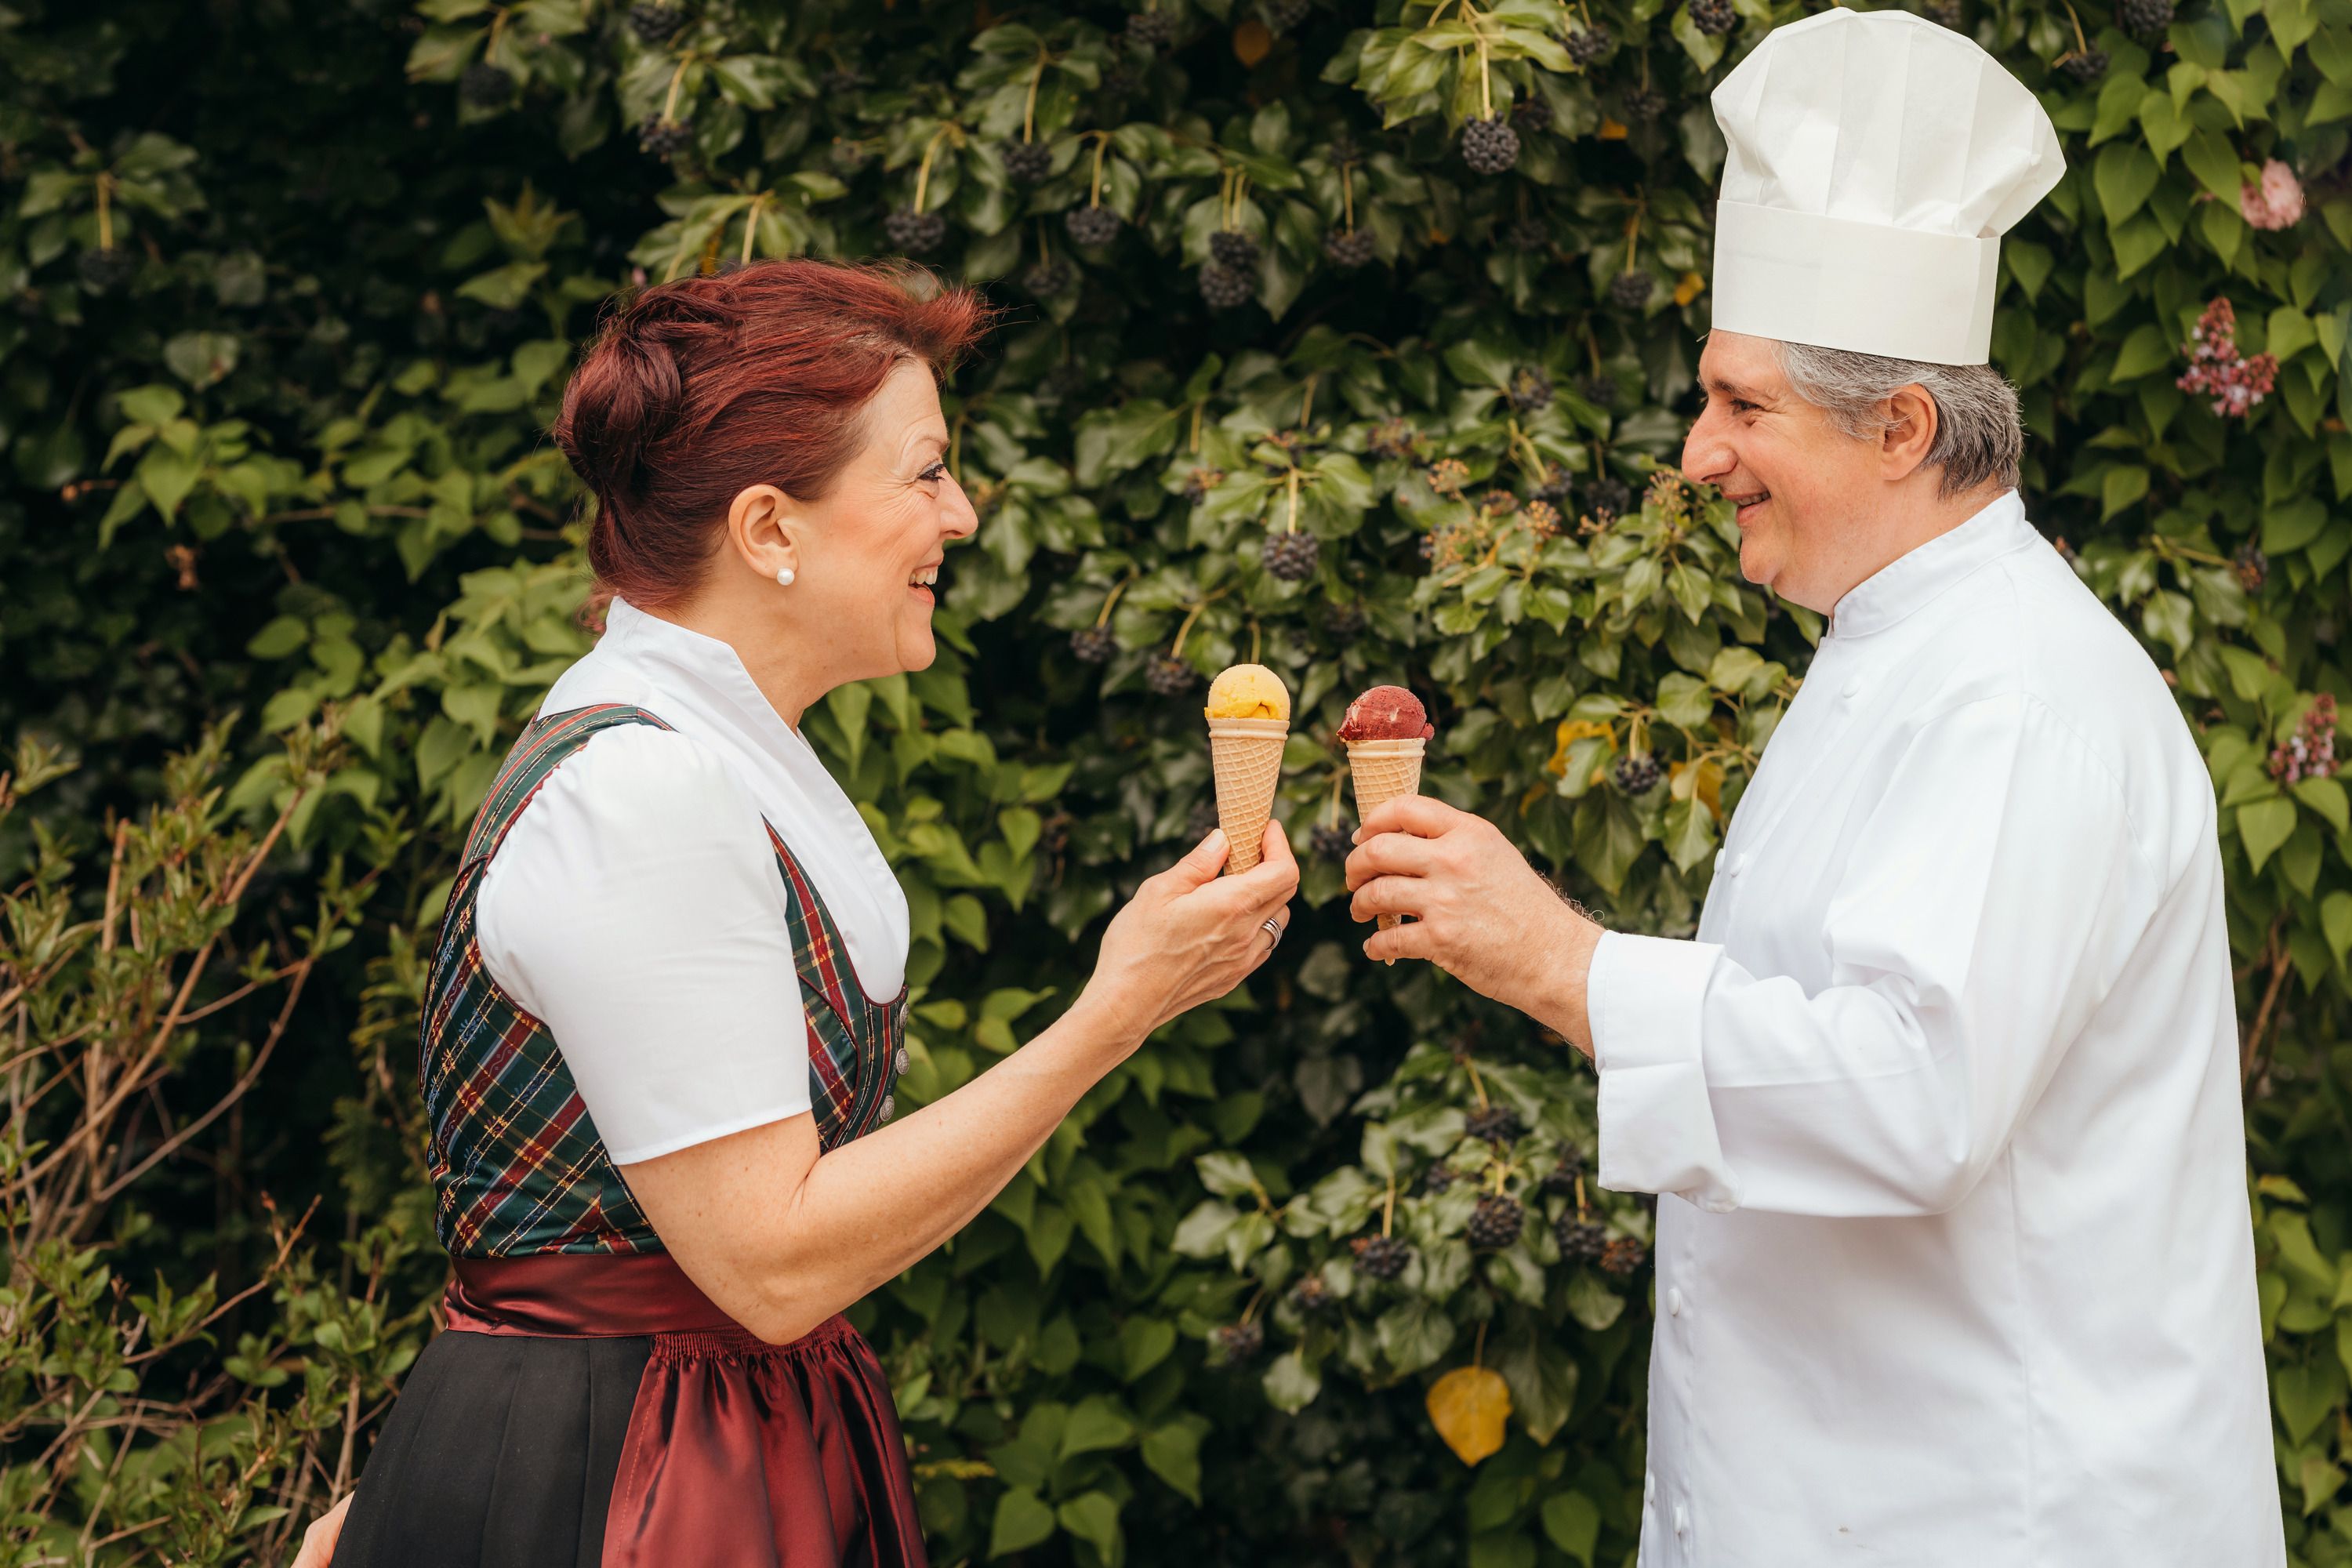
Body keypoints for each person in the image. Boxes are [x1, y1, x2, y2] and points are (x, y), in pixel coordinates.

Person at [1343, 11, 2282, 1566]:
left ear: (1902, 428)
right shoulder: (1901, 649)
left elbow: (1916, 1095)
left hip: (1995, 1516)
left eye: (1744, 405)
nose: (1698, 452)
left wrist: (1564, 963)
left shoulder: (2017, 698)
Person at [296, 260, 1298, 1567]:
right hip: (620, 1483)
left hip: (699, 1436)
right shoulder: (643, 789)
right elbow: (770, 1263)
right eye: (927, 474)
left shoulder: (716, 753)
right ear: (770, 530)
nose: (964, 515)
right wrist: (1117, 1010)